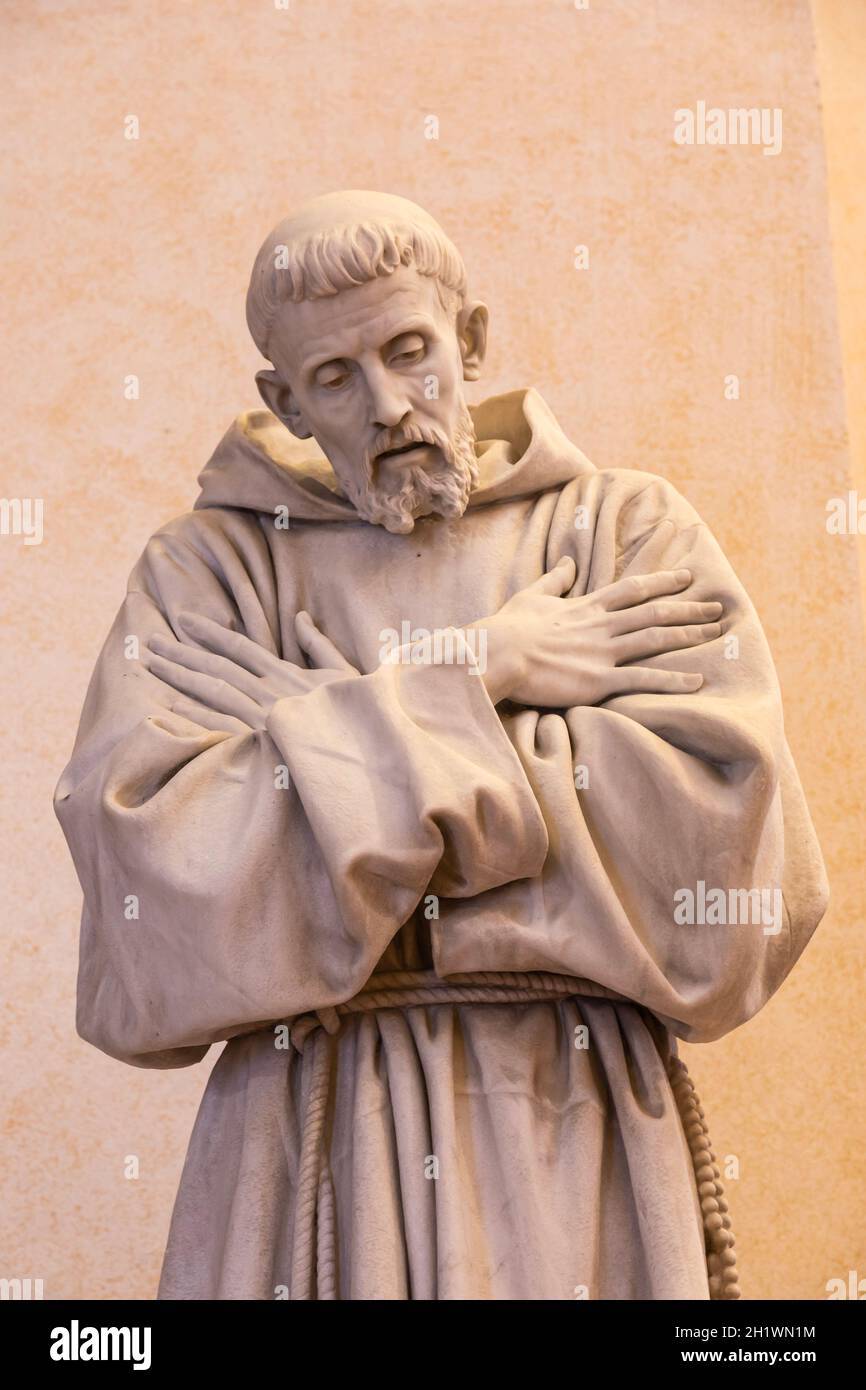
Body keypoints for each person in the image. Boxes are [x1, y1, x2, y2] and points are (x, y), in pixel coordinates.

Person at [55, 190, 828, 1300]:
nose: (384, 404)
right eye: (333, 378)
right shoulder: (205, 575)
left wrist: (324, 753)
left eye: (408, 350)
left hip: (571, 1124)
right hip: (305, 1142)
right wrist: (484, 674)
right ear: (284, 398)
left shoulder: (622, 533)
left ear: (467, 338)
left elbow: (715, 864)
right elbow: (154, 891)